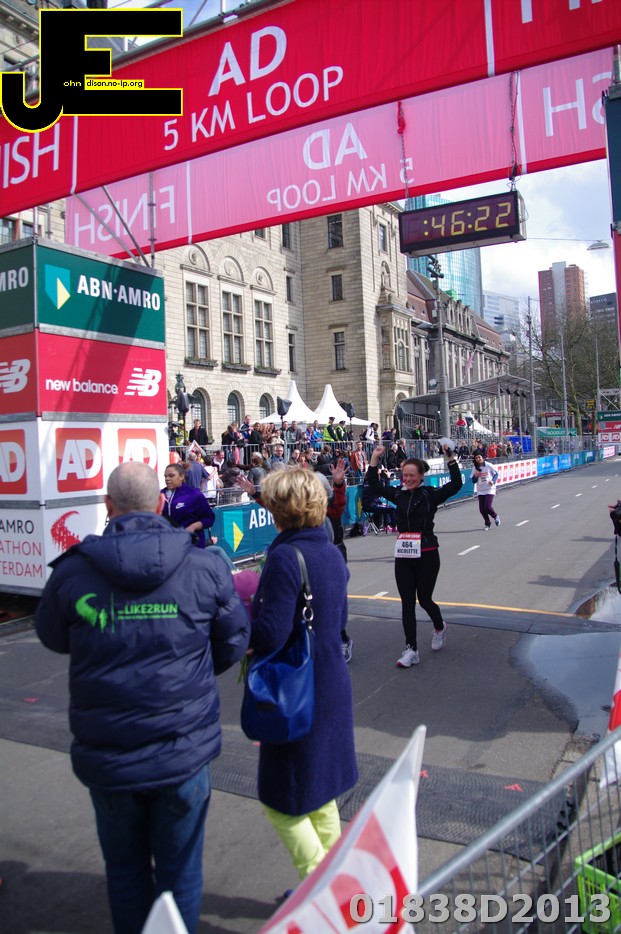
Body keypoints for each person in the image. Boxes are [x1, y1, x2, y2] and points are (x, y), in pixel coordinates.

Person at [33, 462, 250, 934]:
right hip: (182, 748)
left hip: (109, 752)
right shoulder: (202, 567)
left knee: (126, 871)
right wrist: (192, 670)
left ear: (108, 506)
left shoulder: (74, 571)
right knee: (180, 872)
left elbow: (52, 635)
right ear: (159, 504)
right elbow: (234, 639)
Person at [247, 468, 358, 881]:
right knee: (320, 793)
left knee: (285, 802)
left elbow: (270, 633)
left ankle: (322, 891)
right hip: (330, 681)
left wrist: (241, 623)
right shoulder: (330, 552)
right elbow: (339, 619)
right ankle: (339, 881)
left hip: (297, 691)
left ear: (281, 509)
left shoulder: (284, 557)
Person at [367, 443, 463, 667]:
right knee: (407, 602)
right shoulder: (398, 494)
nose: (407, 479)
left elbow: (456, 484)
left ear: (421, 476)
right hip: (404, 556)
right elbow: (374, 484)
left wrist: (450, 458)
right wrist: (374, 458)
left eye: (412, 475)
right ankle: (411, 649)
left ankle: (439, 627)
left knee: (425, 599)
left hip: (427, 553)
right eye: (405, 475)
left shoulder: (430, 495)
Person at [162, 463, 215, 549]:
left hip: (192, 547)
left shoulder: (194, 494)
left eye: (171, 476)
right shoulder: (160, 495)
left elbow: (210, 518)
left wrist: (193, 527)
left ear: (181, 476)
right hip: (169, 547)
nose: (167, 479)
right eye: (165, 476)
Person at [470, 452, 500, 530]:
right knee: (482, 509)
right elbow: (473, 481)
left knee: (487, 507)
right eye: (476, 458)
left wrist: (493, 481)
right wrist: (476, 475)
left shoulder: (488, 465)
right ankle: (488, 524)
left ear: (482, 457)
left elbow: (496, 474)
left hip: (489, 489)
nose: (478, 459)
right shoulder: (475, 468)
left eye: (479, 457)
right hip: (481, 490)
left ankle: (495, 516)